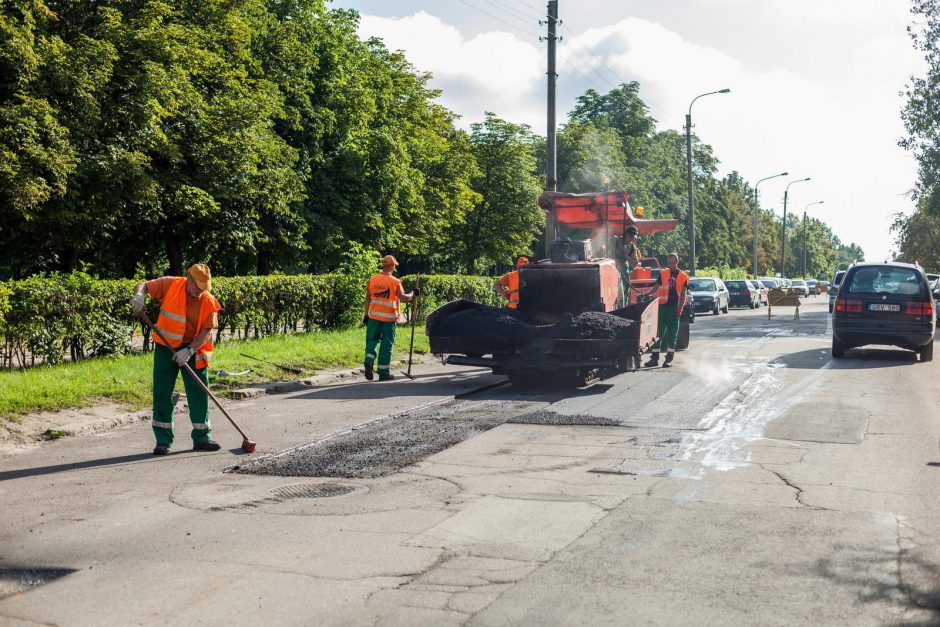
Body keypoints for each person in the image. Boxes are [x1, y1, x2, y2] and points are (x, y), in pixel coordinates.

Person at [130, 264, 222, 455]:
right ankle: (163, 441)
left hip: (193, 349)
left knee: (199, 392)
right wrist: (139, 296)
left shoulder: (208, 300)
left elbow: (206, 330)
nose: (201, 291)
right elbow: (143, 285)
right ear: (188, 279)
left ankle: (202, 438)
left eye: (205, 287)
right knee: (162, 392)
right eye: (198, 286)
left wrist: (188, 351)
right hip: (166, 347)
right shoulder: (171, 284)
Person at [363, 255, 418, 381]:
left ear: (383, 265)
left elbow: (367, 298)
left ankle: (369, 360)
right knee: (386, 345)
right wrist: (413, 293)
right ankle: (383, 373)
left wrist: (366, 315)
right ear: (393, 266)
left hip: (373, 317)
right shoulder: (395, 282)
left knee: (371, 341)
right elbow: (403, 298)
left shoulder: (372, 279)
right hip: (389, 320)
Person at [645, 253, 689, 368]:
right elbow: (656, 287)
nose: (671, 265)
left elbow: (683, 294)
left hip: (674, 308)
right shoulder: (663, 273)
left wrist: (679, 309)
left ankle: (668, 360)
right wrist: (647, 294)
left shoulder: (683, 276)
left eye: (673, 263)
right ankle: (654, 358)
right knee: (658, 334)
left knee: (672, 336)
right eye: (669, 263)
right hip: (663, 307)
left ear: (677, 262)